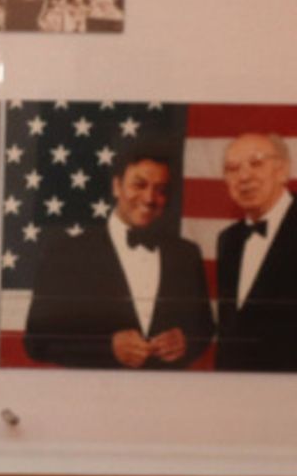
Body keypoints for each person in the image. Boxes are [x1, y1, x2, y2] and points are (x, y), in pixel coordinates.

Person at [23, 145, 214, 369]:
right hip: (92, 397)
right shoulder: (66, 254)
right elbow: (37, 342)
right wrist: (107, 348)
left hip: (165, 397)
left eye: (160, 189)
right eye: (139, 185)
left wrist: (186, 342)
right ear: (117, 186)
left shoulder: (186, 254)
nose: (150, 197)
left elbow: (205, 328)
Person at [215, 132, 297, 371]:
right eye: (232, 168)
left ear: (282, 171)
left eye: (256, 163)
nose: (244, 176)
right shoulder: (228, 240)